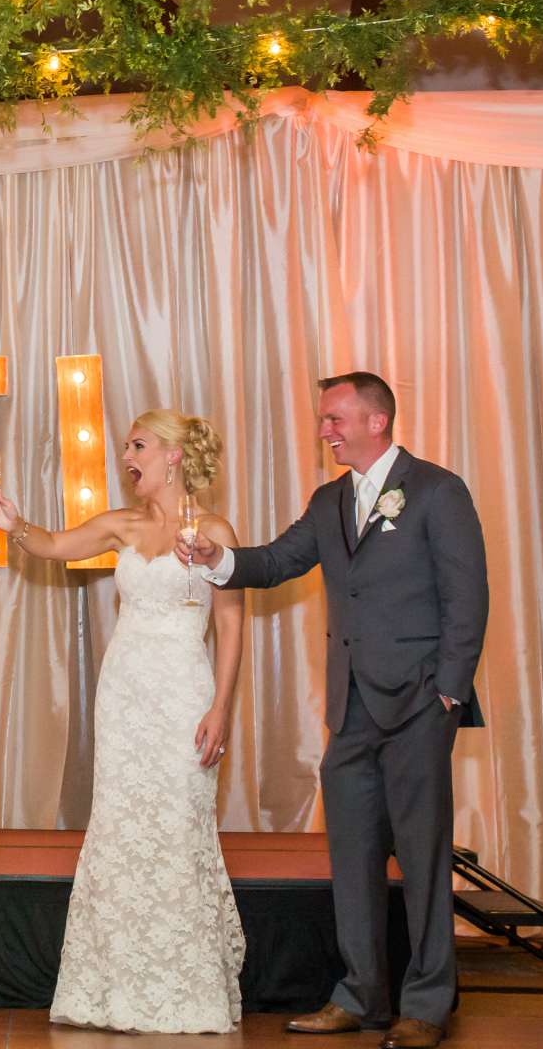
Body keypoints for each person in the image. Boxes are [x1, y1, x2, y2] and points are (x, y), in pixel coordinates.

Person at [184, 373, 488, 1049]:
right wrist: (217, 558)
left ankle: (427, 1007)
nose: (325, 430)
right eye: (323, 420)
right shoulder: (328, 502)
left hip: (417, 705)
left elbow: (467, 599)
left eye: (334, 418)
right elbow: (273, 562)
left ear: (376, 421)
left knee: (422, 860)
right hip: (351, 710)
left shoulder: (438, 490)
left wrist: (448, 691)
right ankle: (360, 996)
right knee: (350, 860)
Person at [0, 408, 245, 1035]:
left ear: (174, 456)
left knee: (178, 826)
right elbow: (51, 546)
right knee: (122, 830)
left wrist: (222, 706)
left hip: (184, 691)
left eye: (139, 445)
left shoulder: (212, 528)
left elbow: (231, 624)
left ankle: (186, 988)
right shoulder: (120, 524)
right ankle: (113, 989)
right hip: (124, 694)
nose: (128, 456)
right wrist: (16, 525)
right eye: (126, 446)